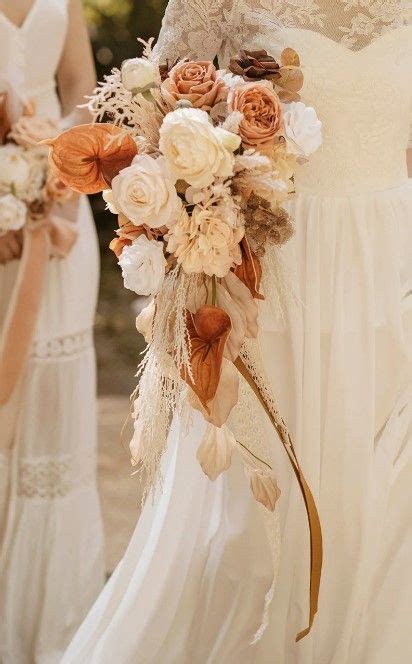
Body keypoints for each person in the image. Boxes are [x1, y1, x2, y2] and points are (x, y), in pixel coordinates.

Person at [64, 1, 412, 662]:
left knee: (389, 504)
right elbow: (156, 117)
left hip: (393, 270)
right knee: (254, 531)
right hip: (272, 282)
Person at [0, 1, 104, 661]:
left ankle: (53, 619)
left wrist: (53, 157)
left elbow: (84, 94)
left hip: (57, 207)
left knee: (56, 403)